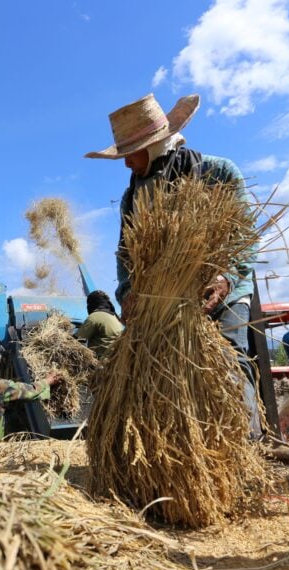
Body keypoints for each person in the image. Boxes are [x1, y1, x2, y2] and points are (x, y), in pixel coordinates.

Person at [85, 93, 261, 437]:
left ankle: (246, 447)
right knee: (165, 372)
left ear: (153, 146)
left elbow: (246, 236)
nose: (125, 164)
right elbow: (125, 253)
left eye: (128, 154)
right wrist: (127, 292)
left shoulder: (216, 172)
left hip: (224, 291)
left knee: (230, 361)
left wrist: (225, 277)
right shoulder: (133, 195)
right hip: (165, 299)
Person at [75, 290, 124, 360]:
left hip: (100, 364)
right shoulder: (115, 318)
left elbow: (77, 340)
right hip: (116, 362)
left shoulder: (95, 316)